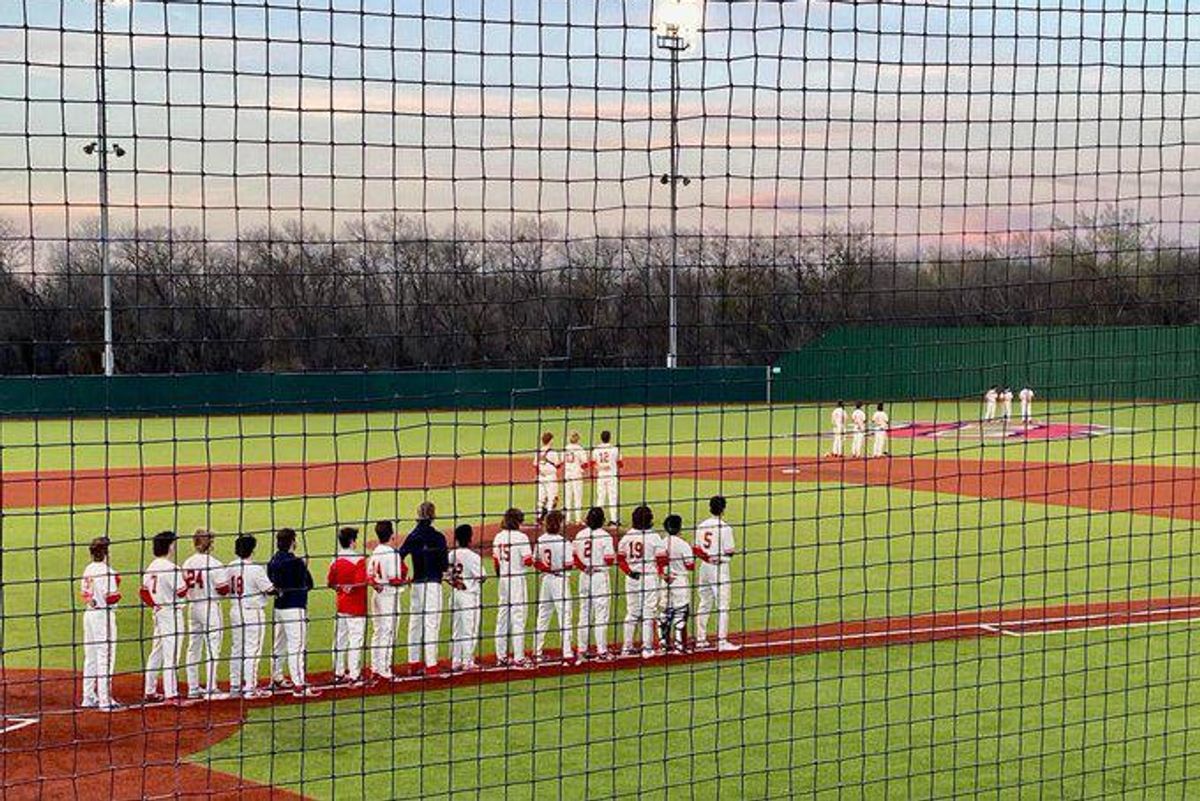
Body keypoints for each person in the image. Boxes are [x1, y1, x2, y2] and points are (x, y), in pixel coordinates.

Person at [399, 502, 450, 675]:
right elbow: (444, 565)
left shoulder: (412, 535)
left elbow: (399, 556)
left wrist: (404, 575)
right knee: (431, 624)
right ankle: (431, 665)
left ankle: (413, 663)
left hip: (417, 584)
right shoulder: (438, 537)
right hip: (433, 585)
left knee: (415, 623)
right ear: (433, 515)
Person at [268, 528, 319, 698]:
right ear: (292, 542)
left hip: (279, 608)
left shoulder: (273, 561)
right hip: (294, 608)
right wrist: (305, 566)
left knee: (279, 644)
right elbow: (309, 584)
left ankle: (276, 676)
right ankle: (299, 686)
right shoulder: (296, 562)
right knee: (296, 646)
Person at [181, 528, 230, 699]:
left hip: (193, 607)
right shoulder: (214, 563)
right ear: (209, 543)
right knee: (212, 648)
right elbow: (223, 589)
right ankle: (211, 688)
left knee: (193, 646)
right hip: (210, 607)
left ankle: (193, 688)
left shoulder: (187, 563)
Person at [226, 533, 275, 699]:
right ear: (252, 550)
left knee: (237, 648)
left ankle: (234, 686)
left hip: (235, 611)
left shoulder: (230, 567)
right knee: (252, 650)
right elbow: (270, 590)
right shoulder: (255, 569)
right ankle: (250, 687)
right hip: (253, 613)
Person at [140, 530, 186, 702]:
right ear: (169, 546)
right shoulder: (172, 568)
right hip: (172, 614)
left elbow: (143, 592)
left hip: (159, 612)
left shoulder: (150, 567)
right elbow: (182, 592)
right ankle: (171, 693)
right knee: (171, 654)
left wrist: (156, 605)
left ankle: (149, 690)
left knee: (157, 652)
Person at [80, 536, 121, 710]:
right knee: (106, 656)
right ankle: (105, 700)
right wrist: (118, 590)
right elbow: (111, 597)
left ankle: (88, 697)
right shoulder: (107, 571)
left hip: (89, 614)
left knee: (91, 657)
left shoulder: (88, 569)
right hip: (103, 617)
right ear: (105, 552)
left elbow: (84, 594)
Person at [617, 505, 664, 658]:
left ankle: (627, 647)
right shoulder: (654, 537)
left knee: (632, 612)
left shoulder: (627, 537)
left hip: (632, 578)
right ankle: (647, 647)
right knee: (649, 612)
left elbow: (620, 560)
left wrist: (630, 572)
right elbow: (662, 559)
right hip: (649, 578)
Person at [694, 495, 739, 652]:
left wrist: (708, 557)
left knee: (704, 602)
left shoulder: (702, 525)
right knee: (723, 605)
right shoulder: (725, 527)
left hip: (704, 568)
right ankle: (722, 641)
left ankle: (700, 639)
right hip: (719, 569)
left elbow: (697, 549)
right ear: (723, 509)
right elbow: (730, 551)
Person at [573, 506, 616, 664]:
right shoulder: (605, 536)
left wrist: (584, 567)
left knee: (584, 614)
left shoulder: (580, 535)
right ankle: (602, 651)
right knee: (601, 615)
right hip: (599, 577)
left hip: (584, 576)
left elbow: (574, 557)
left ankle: (581, 651)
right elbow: (610, 560)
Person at [492, 507, 534, 667]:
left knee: (502, 617)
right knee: (518, 617)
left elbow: (496, 562)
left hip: (503, 580)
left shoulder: (498, 537)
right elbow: (528, 562)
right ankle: (519, 657)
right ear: (518, 521)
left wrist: (502, 576)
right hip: (517, 580)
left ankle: (501, 656)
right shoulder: (521, 537)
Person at [327, 526, 368, 685]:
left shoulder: (335, 559)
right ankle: (354, 675)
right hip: (356, 607)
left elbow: (330, 582)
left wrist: (342, 588)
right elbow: (359, 583)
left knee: (339, 640)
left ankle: (338, 672)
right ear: (352, 541)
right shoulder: (359, 560)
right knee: (355, 640)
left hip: (341, 605)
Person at [367, 520, 407, 682]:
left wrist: (376, 586)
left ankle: (375, 666)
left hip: (377, 596)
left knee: (378, 631)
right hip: (389, 597)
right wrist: (406, 581)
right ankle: (385, 669)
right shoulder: (391, 553)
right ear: (392, 534)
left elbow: (369, 576)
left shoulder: (376, 551)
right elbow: (394, 579)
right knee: (388, 632)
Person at [532, 510, 574, 664]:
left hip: (546, 581)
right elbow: (569, 566)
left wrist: (547, 569)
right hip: (560, 582)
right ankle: (567, 653)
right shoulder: (564, 543)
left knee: (543, 616)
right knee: (565, 616)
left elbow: (535, 562)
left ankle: (536, 651)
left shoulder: (541, 540)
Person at [448, 524, 486, 672]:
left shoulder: (451, 555)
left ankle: (456, 661)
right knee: (469, 629)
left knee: (457, 629)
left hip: (455, 595)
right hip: (469, 596)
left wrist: (457, 583)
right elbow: (482, 577)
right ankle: (468, 661)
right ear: (470, 538)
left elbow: (446, 575)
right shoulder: (473, 556)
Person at [656, 514, 695, 654]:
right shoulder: (683, 544)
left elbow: (658, 563)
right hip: (679, 581)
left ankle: (663, 645)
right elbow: (690, 565)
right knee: (681, 612)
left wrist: (663, 575)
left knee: (665, 612)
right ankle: (679, 647)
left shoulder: (661, 542)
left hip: (665, 580)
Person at [590, 430, 622, 524]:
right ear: (609, 438)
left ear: (601, 438)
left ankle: (598, 519)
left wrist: (601, 467)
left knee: (600, 498)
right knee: (613, 498)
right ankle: (614, 520)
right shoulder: (615, 449)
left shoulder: (596, 450)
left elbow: (592, 464)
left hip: (601, 476)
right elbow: (620, 463)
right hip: (612, 476)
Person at [534, 432, 561, 520]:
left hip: (541, 477)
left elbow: (535, 465)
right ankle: (549, 517)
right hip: (551, 477)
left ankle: (538, 516)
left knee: (540, 497)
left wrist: (538, 475)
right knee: (551, 497)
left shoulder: (538, 451)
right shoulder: (553, 452)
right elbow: (558, 465)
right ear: (550, 440)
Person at [562, 431, 588, 523]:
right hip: (576, 474)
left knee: (568, 497)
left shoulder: (566, 448)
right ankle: (578, 519)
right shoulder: (579, 449)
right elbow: (585, 463)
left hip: (567, 474)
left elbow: (562, 461)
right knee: (577, 497)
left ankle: (567, 519)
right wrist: (581, 468)